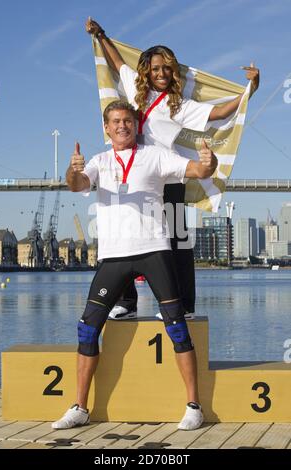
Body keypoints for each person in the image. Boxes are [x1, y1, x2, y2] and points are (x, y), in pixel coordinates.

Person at [52, 100, 218, 430]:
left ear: (136, 125)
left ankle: (194, 406)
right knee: (87, 329)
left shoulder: (154, 156)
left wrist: (208, 164)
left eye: (127, 121)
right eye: (115, 122)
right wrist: (72, 170)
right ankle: (80, 408)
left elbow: (197, 171)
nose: (122, 126)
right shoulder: (99, 161)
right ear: (106, 128)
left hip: (154, 250)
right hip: (113, 256)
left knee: (176, 327)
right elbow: (77, 185)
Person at [85, 18, 260, 321]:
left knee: (178, 243)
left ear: (173, 71)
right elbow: (116, 62)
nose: (161, 73)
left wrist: (250, 90)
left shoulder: (180, 105)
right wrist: (100, 35)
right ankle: (127, 303)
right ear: (146, 72)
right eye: (155, 68)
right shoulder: (135, 91)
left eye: (167, 68)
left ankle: (185, 306)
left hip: (168, 178)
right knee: (126, 237)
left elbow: (219, 112)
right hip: (135, 176)